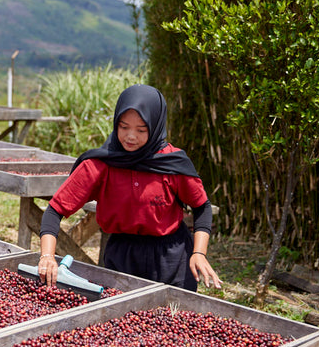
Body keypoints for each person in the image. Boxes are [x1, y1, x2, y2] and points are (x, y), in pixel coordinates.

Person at [38, 84, 221, 292]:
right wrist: (47, 256)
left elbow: (201, 206)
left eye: (141, 130)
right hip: (122, 257)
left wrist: (199, 253)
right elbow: (55, 210)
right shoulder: (101, 164)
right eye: (123, 127)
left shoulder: (173, 164)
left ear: (155, 126)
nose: (131, 136)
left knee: (172, 311)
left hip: (171, 258)